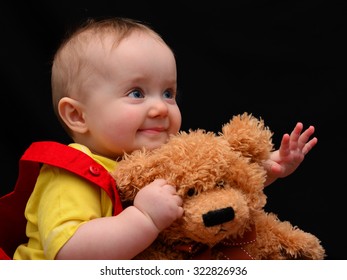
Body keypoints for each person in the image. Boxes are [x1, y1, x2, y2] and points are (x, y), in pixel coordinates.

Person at [12, 17, 317, 260]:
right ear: (78, 116)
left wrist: (269, 169)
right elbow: (71, 256)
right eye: (136, 93)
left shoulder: (162, 159)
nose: (161, 107)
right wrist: (144, 218)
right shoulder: (71, 175)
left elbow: (204, 195)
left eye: (168, 93)